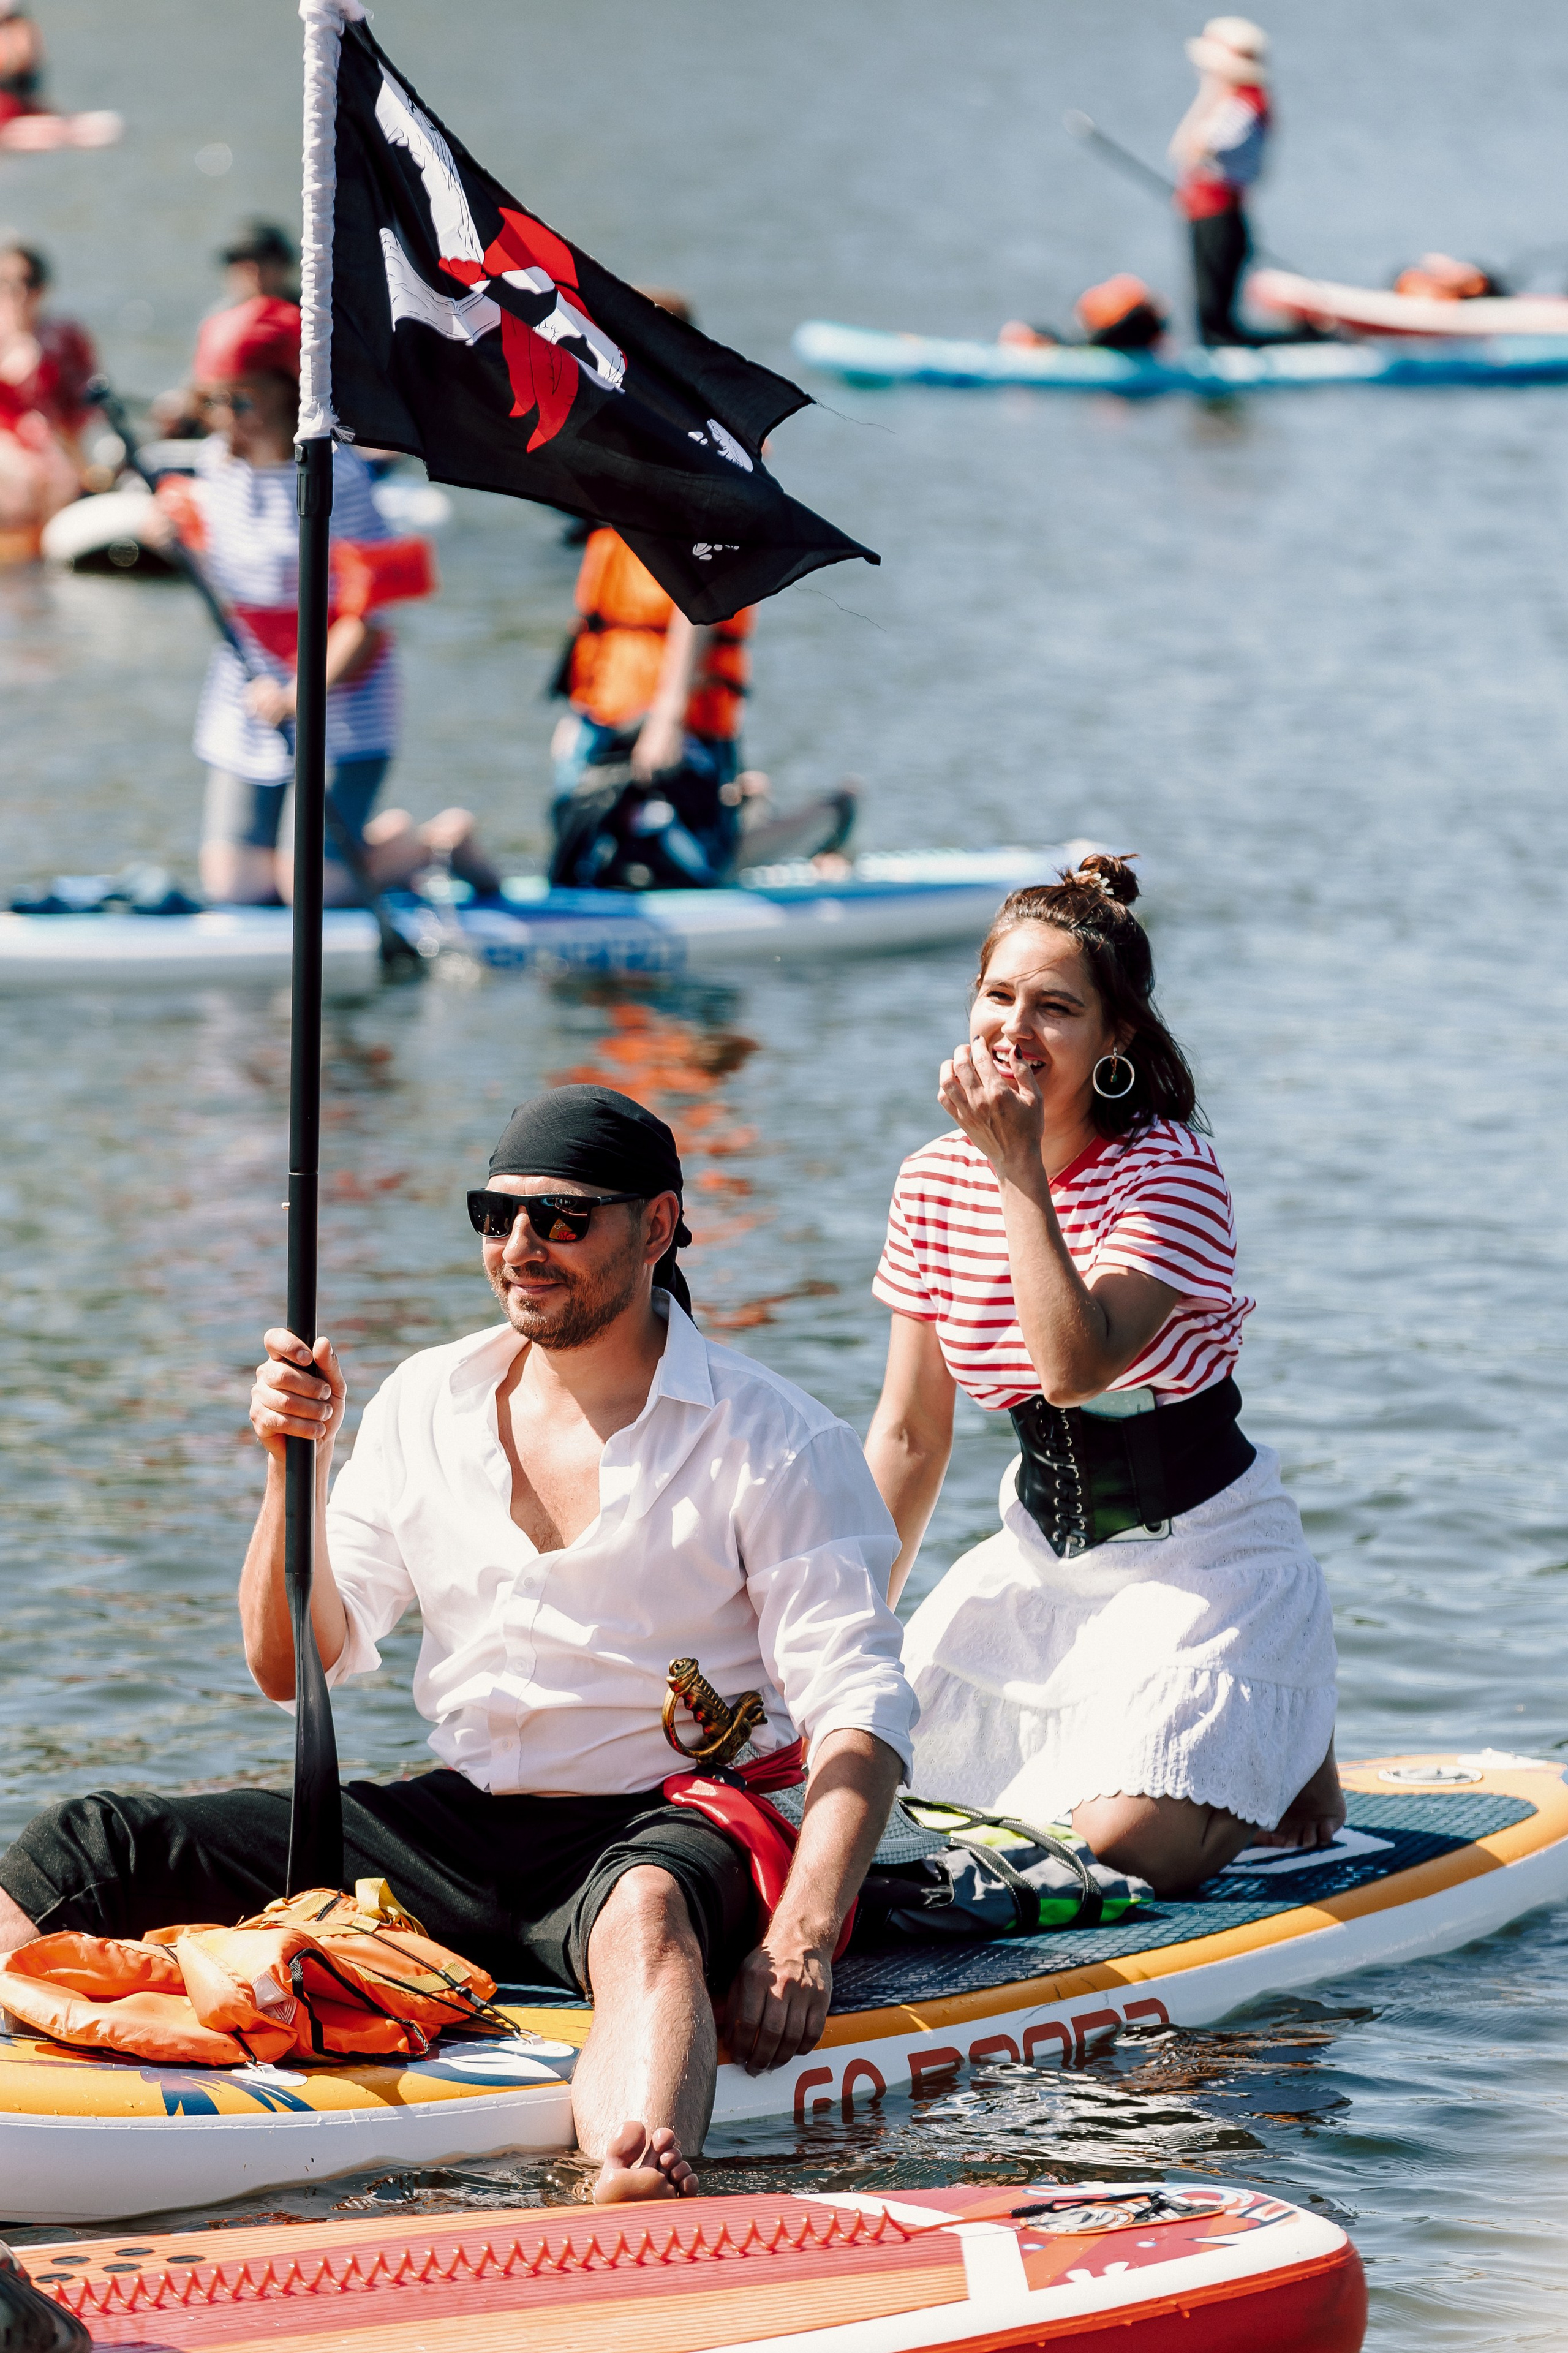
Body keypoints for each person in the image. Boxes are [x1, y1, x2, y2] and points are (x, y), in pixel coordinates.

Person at [0, 1087, 916, 2202]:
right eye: (496, 1216)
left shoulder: (773, 1438)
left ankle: (633, 2178)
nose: (521, 1249)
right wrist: (298, 1464)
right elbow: (290, 1665)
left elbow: (860, 1712)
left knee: (643, 1913)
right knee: (84, 1840)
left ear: (660, 1226)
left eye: (565, 1220)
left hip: (668, 1820)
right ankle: (54, 2066)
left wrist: (803, 1939)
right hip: (466, 1826)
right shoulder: (426, 1398)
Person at [863, 858, 1341, 1899]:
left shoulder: (1171, 1169)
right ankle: (1245, 1745)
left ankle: (1286, 1720)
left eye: (1056, 1008)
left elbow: (1075, 1368)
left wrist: (1020, 1171)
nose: (1014, 1029)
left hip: (1205, 1563)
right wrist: (842, 1629)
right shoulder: (930, 1181)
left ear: (1115, 1037)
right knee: (866, 1785)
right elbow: (908, 1437)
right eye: (998, 996)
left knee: (1128, 1846)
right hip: (1041, 1565)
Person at [154, 293, 491, 905]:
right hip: (250, 693)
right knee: (236, 888)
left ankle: (442, 841)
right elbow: (232, 580)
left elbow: (369, 618)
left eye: (243, 398)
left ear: (289, 390)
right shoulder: (214, 469)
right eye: (213, 399)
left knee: (316, 890)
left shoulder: (340, 476)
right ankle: (374, 846)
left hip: (340, 693)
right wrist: (176, 543)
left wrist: (298, 693)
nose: (227, 415)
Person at [1169, 16, 1272, 346]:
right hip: (1211, 214)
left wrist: (1210, 91)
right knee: (1209, 315)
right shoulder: (1235, 99)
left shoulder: (1244, 103)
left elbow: (1192, 149)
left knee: (1216, 319)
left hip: (1220, 216)